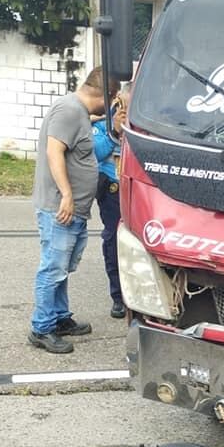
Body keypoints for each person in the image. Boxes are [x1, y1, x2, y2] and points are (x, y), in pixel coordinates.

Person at [29, 67, 119, 354]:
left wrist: (112, 117)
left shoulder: (79, 111)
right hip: (61, 207)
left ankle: (59, 318)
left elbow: (87, 126)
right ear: (106, 93)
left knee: (62, 269)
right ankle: (41, 328)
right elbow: (54, 151)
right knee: (53, 268)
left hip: (75, 208)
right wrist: (67, 195)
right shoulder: (69, 110)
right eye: (113, 99)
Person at [92, 92, 128, 318]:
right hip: (113, 189)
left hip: (144, 188)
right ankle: (119, 297)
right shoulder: (101, 121)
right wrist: (115, 131)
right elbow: (94, 152)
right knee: (114, 242)